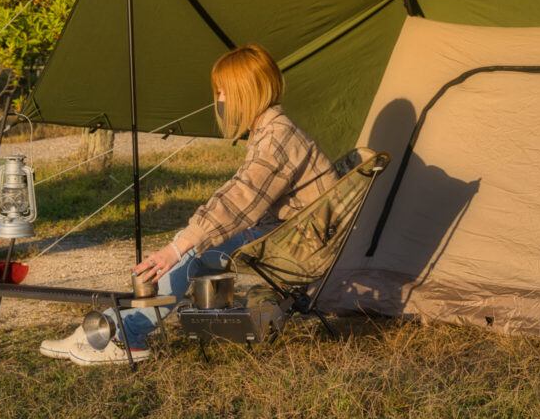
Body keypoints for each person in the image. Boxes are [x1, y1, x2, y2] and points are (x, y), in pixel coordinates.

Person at [40, 44, 338, 365]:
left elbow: (241, 197)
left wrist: (179, 247)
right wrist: (187, 239)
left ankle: (122, 334)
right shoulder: (272, 131)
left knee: (190, 250)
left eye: (222, 92)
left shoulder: (278, 137)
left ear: (246, 92)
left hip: (294, 250)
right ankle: (113, 325)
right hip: (285, 238)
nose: (218, 100)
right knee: (192, 244)